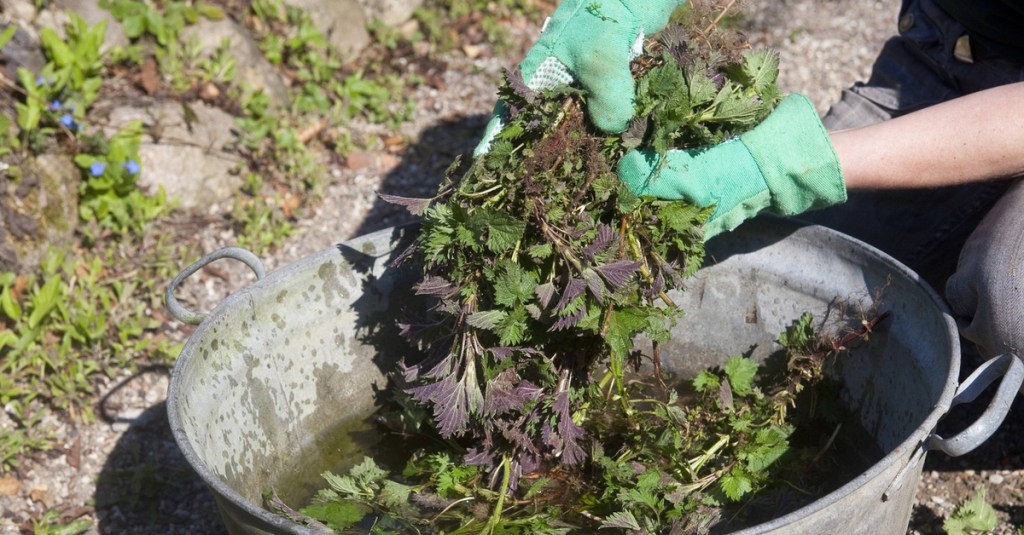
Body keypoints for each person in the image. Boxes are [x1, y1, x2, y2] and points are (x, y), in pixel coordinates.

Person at [476, 0, 1024, 361]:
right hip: (948, 52)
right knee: (785, 252)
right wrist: (618, 8)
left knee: (1009, 292)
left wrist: (788, 161)